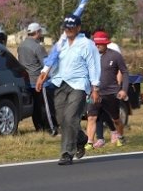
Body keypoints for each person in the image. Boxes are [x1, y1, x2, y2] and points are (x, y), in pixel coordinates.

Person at [36, 14, 101, 165]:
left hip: (78, 84)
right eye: (66, 27)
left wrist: (95, 87)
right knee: (61, 119)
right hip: (60, 82)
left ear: (78, 28)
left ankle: (67, 152)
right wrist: (43, 74)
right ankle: (81, 138)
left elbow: (94, 66)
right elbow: (52, 58)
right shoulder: (61, 42)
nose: (69, 30)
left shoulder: (86, 44)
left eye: (71, 27)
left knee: (70, 117)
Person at [84, 31, 129, 150]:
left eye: (100, 43)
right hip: (94, 93)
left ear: (106, 43)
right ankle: (89, 142)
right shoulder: (89, 56)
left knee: (116, 119)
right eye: (96, 43)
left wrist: (124, 89)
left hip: (111, 93)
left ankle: (120, 136)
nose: (97, 45)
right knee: (92, 117)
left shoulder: (115, 56)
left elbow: (124, 72)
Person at [18, 22, 53, 132]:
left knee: (35, 108)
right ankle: (50, 129)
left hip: (27, 81)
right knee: (45, 107)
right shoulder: (38, 47)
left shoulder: (21, 46)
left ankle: (39, 128)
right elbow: (46, 65)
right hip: (39, 81)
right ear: (37, 32)